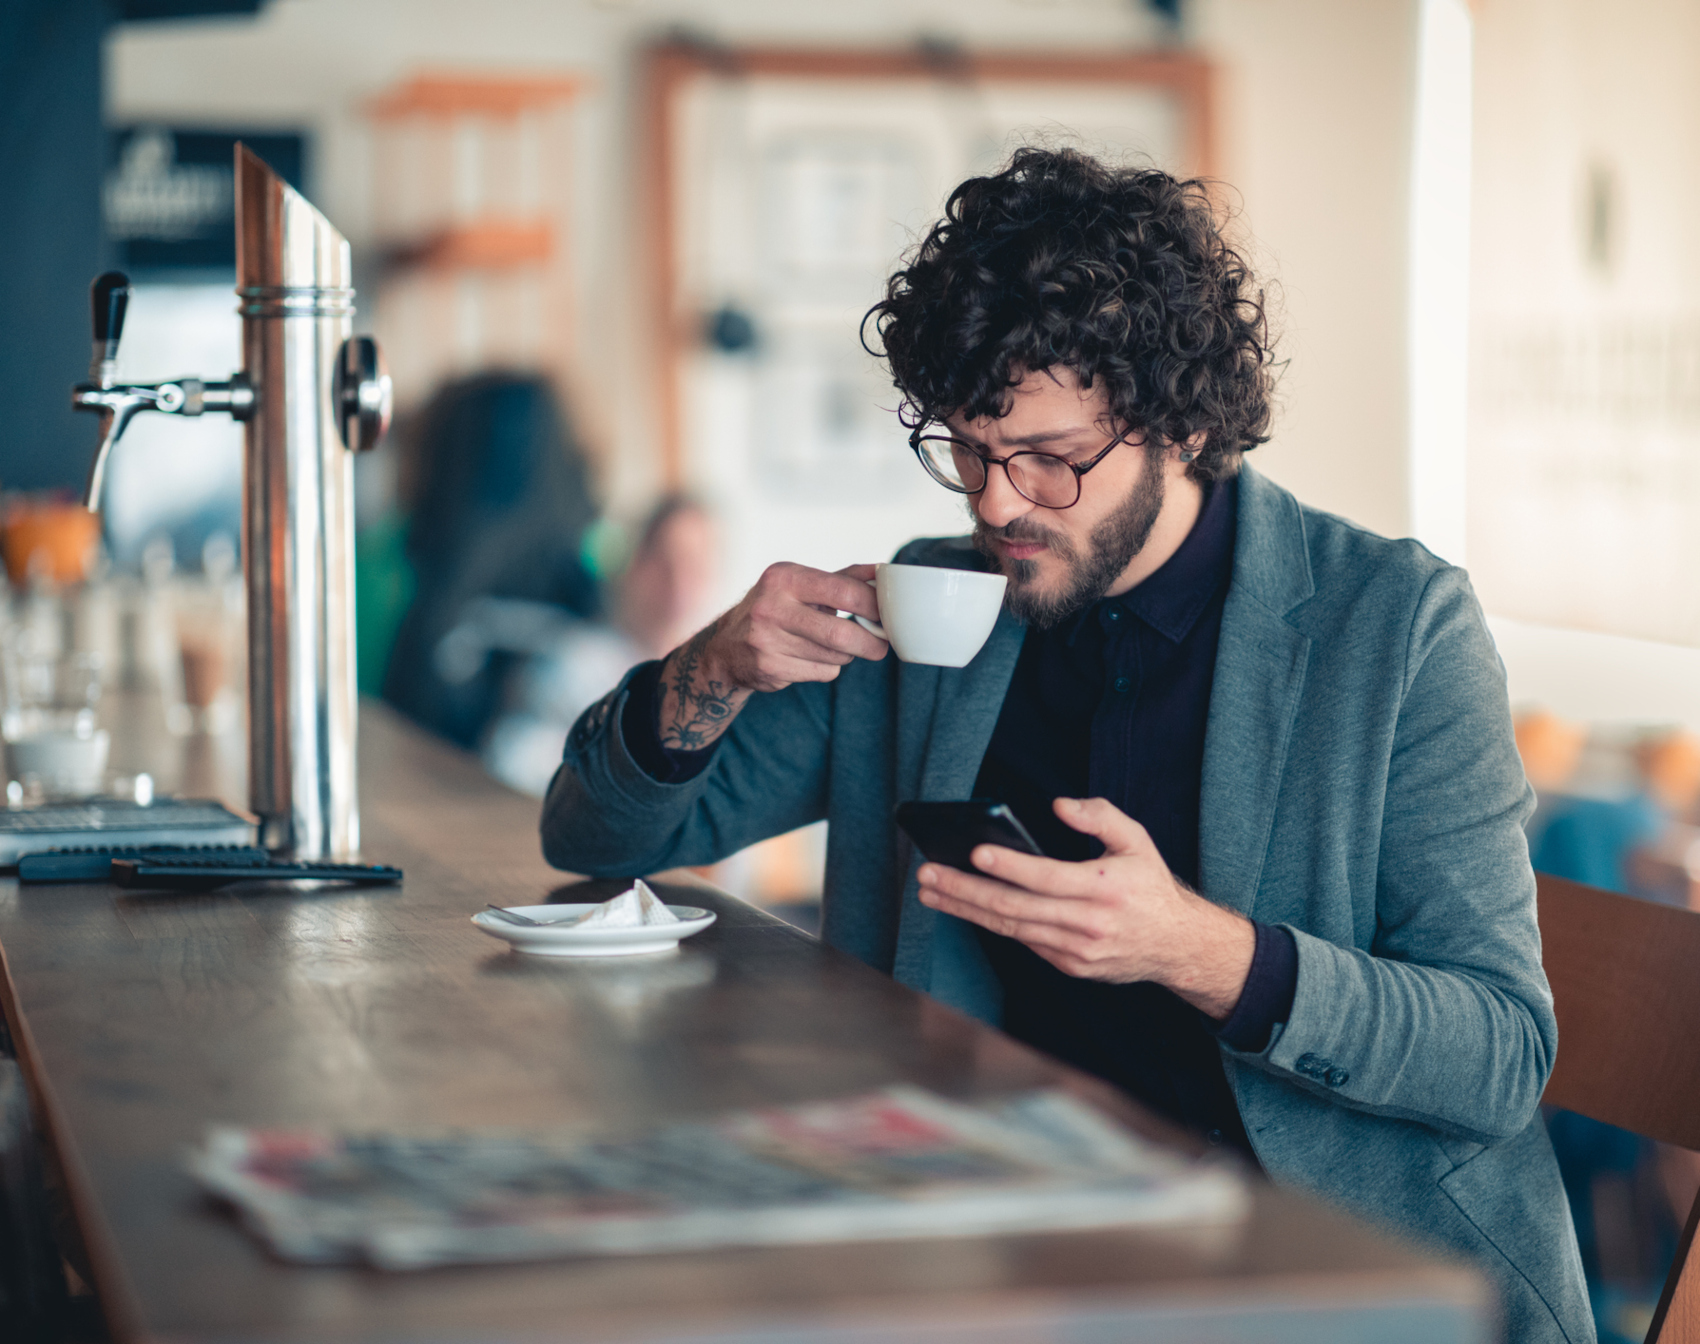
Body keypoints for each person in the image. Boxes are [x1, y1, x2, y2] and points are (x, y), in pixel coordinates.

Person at [541, 149, 1590, 1342]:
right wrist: (711, 666)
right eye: (968, 453)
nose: (995, 506)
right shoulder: (931, 607)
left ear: (1182, 422)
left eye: (1049, 458)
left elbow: (1498, 1055)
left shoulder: (1392, 626)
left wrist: (1197, 952)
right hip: (1002, 1231)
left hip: (1344, 1269)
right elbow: (590, 836)